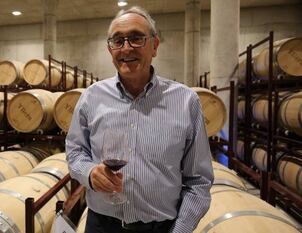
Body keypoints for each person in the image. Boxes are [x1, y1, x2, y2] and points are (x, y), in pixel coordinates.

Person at [66, 6, 214, 233]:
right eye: (118, 40)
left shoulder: (186, 101)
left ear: (154, 46)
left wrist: (181, 229)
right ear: (110, 49)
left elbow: (198, 181)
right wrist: (89, 173)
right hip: (102, 226)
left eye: (136, 38)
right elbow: (75, 152)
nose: (126, 48)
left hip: (162, 228)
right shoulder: (91, 97)